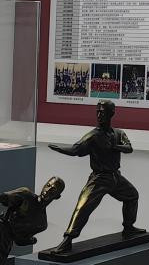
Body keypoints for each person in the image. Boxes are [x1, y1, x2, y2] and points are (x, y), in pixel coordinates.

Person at [43, 101, 143, 256]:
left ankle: (128, 227)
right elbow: (76, 149)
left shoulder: (118, 133)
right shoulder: (93, 136)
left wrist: (114, 146)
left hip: (115, 176)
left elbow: (129, 148)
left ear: (111, 113)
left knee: (132, 195)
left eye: (103, 112)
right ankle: (67, 240)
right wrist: (60, 149)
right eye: (97, 112)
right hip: (99, 178)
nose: (99, 115)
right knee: (83, 206)